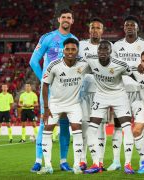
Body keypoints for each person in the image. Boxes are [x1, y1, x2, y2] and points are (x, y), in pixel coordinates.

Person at [29, 8, 77, 172]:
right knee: (45, 124)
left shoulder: (74, 40)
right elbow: (34, 61)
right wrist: (45, 81)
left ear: (72, 21)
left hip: (68, 92)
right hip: (50, 92)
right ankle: (38, 160)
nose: (66, 19)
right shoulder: (47, 38)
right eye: (63, 17)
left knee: (65, 126)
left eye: (69, 17)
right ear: (59, 19)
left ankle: (63, 161)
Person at [37, 38, 91, 175]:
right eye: (67, 49)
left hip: (74, 104)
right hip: (55, 104)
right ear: (63, 50)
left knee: (77, 129)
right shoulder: (54, 65)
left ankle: (77, 165)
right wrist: (46, 108)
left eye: (73, 49)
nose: (70, 52)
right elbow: (45, 85)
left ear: (77, 51)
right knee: (47, 130)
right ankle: (48, 165)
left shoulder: (84, 64)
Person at [108, 15, 144, 171]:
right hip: (121, 91)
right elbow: (112, 68)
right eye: (127, 25)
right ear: (123, 28)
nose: (129, 27)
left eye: (132, 25)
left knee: (140, 125)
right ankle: (116, 161)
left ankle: (143, 160)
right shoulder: (116, 46)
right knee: (118, 126)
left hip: (140, 91)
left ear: (137, 28)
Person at [85, 40, 135, 174]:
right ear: (97, 51)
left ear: (110, 52)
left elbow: (135, 75)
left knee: (127, 128)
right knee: (91, 130)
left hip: (119, 96)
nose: (102, 52)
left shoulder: (121, 64)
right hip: (100, 96)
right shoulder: (90, 59)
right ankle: (96, 163)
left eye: (105, 50)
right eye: (100, 50)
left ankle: (128, 164)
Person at [78, 17, 111, 172]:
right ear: (89, 30)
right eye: (92, 27)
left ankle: (100, 161)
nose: (95, 30)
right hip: (84, 92)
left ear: (102, 31)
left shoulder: (109, 46)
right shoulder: (81, 45)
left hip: (102, 92)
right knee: (84, 126)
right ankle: (83, 160)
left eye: (98, 28)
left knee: (100, 128)